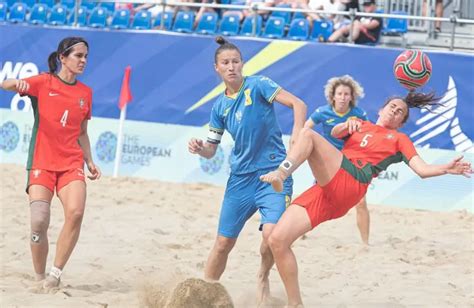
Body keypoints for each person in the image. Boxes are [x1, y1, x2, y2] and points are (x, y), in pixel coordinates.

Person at [260, 92, 472, 307]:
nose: (395, 111)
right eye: (392, 106)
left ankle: (282, 172)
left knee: (309, 134)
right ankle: (295, 303)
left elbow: (422, 169)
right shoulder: (359, 123)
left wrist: (445, 168)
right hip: (328, 191)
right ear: (381, 110)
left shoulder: (400, 139)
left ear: (401, 122)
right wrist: (347, 124)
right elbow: (334, 131)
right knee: (277, 240)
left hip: (353, 180)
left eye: (400, 112)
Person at [187, 36, 307, 306]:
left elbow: (299, 105)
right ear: (216, 68)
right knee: (222, 244)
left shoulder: (259, 85)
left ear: (242, 64)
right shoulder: (219, 107)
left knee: (273, 235)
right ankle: (206, 294)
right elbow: (211, 149)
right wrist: (200, 148)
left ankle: (264, 275)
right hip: (240, 179)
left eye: (235, 61)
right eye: (225, 63)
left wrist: (297, 135)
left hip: (273, 175)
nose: (231, 67)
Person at [0, 37, 101, 290]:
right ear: (62, 57)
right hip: (42, 162)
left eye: (86, 56)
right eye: (78, 55)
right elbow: (6, 84)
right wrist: (17, 83)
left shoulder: (85, 93)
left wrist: (89, 160)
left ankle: (55, 274)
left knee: (76, 213)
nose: (83, 61)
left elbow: (82, 132)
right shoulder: (44, 82)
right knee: (38, 221)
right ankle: (38, 276)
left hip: (71, 163)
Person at [304, 75, 370, 245]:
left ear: (351, 97)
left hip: (349, 162)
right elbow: (305, 129)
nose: (342, 97)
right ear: (332, 96)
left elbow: (370, 135)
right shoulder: (322, 112)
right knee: (314, 197)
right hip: (327, 160)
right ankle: (299, 232)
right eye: (339, 94)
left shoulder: (358, 114)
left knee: (361, 201)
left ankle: (365, 243)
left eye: (346, 94)